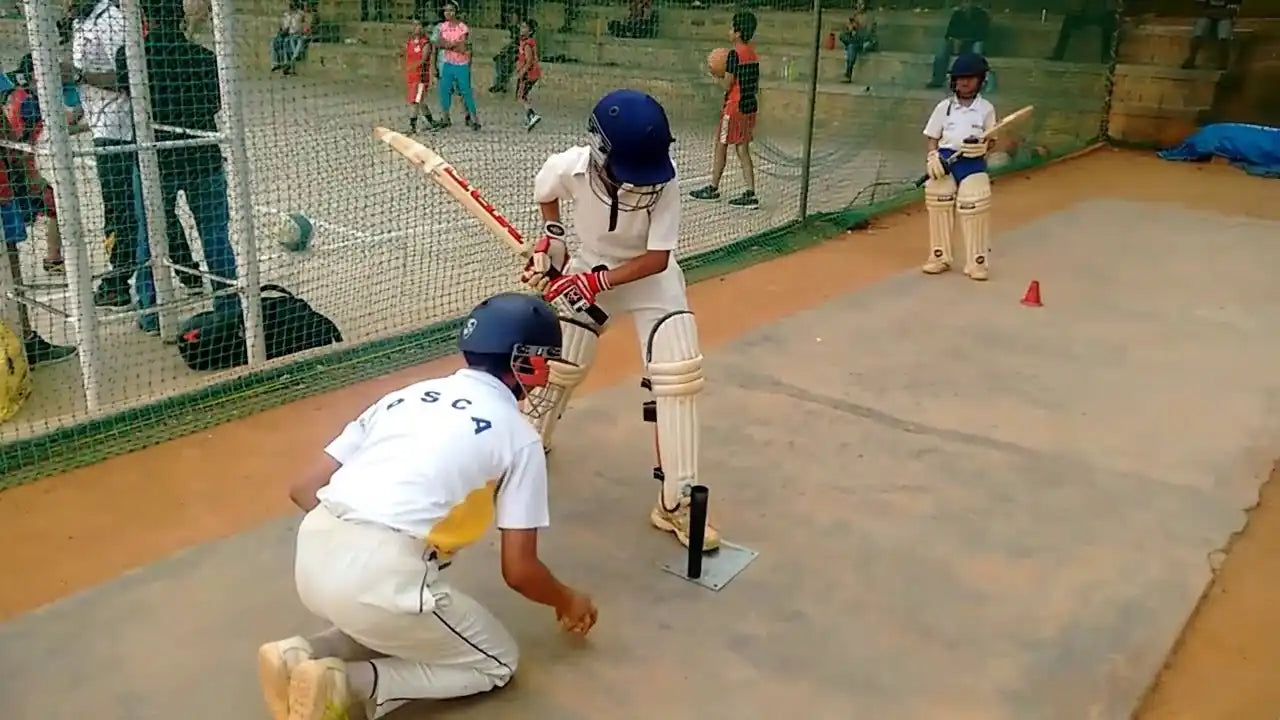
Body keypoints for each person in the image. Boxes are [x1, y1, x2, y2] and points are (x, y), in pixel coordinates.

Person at [255, 292, 597, 720]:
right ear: (525, 362)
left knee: (393, 617)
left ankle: (299, 654)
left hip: (314, 552)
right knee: (495, 662)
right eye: (546, 361)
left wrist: (357, 543)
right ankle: (348, 684)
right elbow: (520, 571)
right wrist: (568, 600)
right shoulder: (519, 436)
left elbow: (303, 488)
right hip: (383, 572)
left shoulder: (405, 395)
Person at [519, 88, 719, 552]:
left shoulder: (663, 184)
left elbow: (656, 258)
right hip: (591, 266)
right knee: (562, 358)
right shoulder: (569, 166)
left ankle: (676, 503)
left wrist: (596, 283)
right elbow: (546, 195)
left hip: (651, 279)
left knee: (678, 375)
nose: (641, 183)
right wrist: (552, 240)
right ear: (599, 150)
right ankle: (529, 443)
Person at [116, 0, 240, 335]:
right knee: (215, 235)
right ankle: (229, 305)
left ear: (147, 17)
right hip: (202, 155)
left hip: (156, 158)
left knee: (150, 237)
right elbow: (215, 102)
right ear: (180, 17)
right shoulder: (204, 57)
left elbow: (132, 97)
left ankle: (152, 312)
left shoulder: (132, 56)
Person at [0, 67, 79, 365]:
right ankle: (25, 341)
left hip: (11, 185)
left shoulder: (19, 98)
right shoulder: (24, 101)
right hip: (8, 188)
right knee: (10, 272)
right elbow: (11, 135)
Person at [68, 0, 144, 309]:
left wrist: (78, 77)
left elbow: (128, 78)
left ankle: (119, 283)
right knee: (129, 205)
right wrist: (77, 116)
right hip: (102, 126)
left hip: (119, 130)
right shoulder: (80, 22)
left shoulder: (111, 19)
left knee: (120, 209)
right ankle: (187, 268)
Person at [921, 52, 996, 282]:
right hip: (945, 159)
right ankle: (939, 257)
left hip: (972, 162)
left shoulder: (986, 109)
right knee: (938, 198)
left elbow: (992, 138)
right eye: (960, 77)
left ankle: (976, 263)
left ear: (981, 80)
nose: (964, 82)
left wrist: (983, 148)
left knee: (974, 204)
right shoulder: (944, 107)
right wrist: (932, 156)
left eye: (970, 77)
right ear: (953, 80)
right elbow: (933, 136)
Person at [688, 11, 760, 209]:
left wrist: (714, 74)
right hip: (750, 106)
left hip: (734, 107)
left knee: (721, 144)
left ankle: (713, 187)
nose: (729, 32)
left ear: (737, 32)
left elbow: (727, 85)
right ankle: (750, 192)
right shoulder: (752, 53)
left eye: (731, 28)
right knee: (743, 149)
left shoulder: (733, 55)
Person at [434, 2, 481, 131]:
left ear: (456, 12)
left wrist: (449, 45)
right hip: (448, 63)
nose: (448, 13)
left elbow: (463, 47)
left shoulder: (462, 27)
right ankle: (445, 118)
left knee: (466, 92)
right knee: (445, 91)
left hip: (461, 64)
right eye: (446, 11)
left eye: (451, 10)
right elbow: (439, 43)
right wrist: (453, 45)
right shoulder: (442, 27)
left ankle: (473, 118)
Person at [927, 0, 989, 88]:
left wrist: (965, 39)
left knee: (977, 50)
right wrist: (954, 39)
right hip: (958, 42)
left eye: (967, 2)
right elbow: (949, 32)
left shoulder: (981, 15)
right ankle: (938, 79)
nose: (965, 5)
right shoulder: (957, 15)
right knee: (942, 50)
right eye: (963, 2)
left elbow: (982, 33)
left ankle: (977, 81)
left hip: (974, 41)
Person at [1047, 0, 1118, 64]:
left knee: (1110, 24)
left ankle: (1107, 55)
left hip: (1102, 13)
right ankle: (1058, 54)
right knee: (1068, 22)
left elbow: (1112, 7)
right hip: (1084, 14)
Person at [1181, 0, 1242, 70]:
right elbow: (1199, 6)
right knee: (1198, 35)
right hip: (1208, 15)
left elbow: (1233, 9)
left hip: (1223, 16)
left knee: (1223, 38)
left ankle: (1223, 62)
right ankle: (1192, 57)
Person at [403, 18, 438, 133]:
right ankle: (432, 122)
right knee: (420, 101)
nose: (415, 28)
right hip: (411, 76)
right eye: (413, 25)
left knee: (415, 101)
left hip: (421, 76)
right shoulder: (410, 42)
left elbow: (424, 59)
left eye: (418, 25)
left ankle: (412, 126)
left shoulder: (425, 43)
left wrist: (413, 66)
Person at [838, 3, 877, 84]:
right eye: (858, 4)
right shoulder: (855, 15)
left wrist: (858, 28)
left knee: (851, 47)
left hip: (865, 41)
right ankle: (848, 72)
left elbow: (868, 33)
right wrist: (850, 28)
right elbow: (847, 30)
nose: (859, 6)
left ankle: (848, 73)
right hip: (855, 40)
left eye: (861, 4)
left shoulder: (869, 17)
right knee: (845, 39)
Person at [515, 18, 541, 131]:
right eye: (521, 26)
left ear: (530, 31)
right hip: (531, 73)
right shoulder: (525, 42)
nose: (521, 29)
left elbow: (529, 60)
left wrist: (522, 72)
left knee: (520, 96)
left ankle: (532, 115)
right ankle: (528, 118)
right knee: (523, 95)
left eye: (524, 27)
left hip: (528, 74)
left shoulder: (527, 44)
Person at [270, 0, 309, 75]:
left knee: (290, 41)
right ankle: (276, 63)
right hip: (288, 34)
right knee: (274, 41)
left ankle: (291, 61)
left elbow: (304, 26)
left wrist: (304, 30)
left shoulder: (300, 14)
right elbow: (283, 26)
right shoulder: (286, 15)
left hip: (297, 34)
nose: (291, 5)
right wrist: (281, 31)